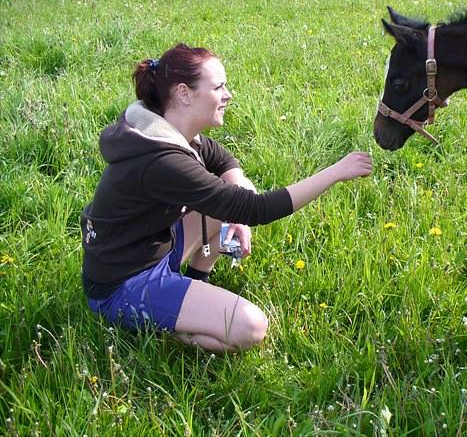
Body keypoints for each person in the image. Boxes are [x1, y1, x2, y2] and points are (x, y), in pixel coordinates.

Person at [81, 43, 372, 352]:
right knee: (250, 327)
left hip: (149, 249)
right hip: (122, 286)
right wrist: (336, 172)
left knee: (223, 202)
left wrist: (237, 206)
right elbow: (258, 209)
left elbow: (222, 161)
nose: (228, 94)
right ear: (184, 93)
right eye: (219, 87)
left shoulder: (165, 128)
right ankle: (166, 326)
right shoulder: (162, 160)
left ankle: (195, 282)